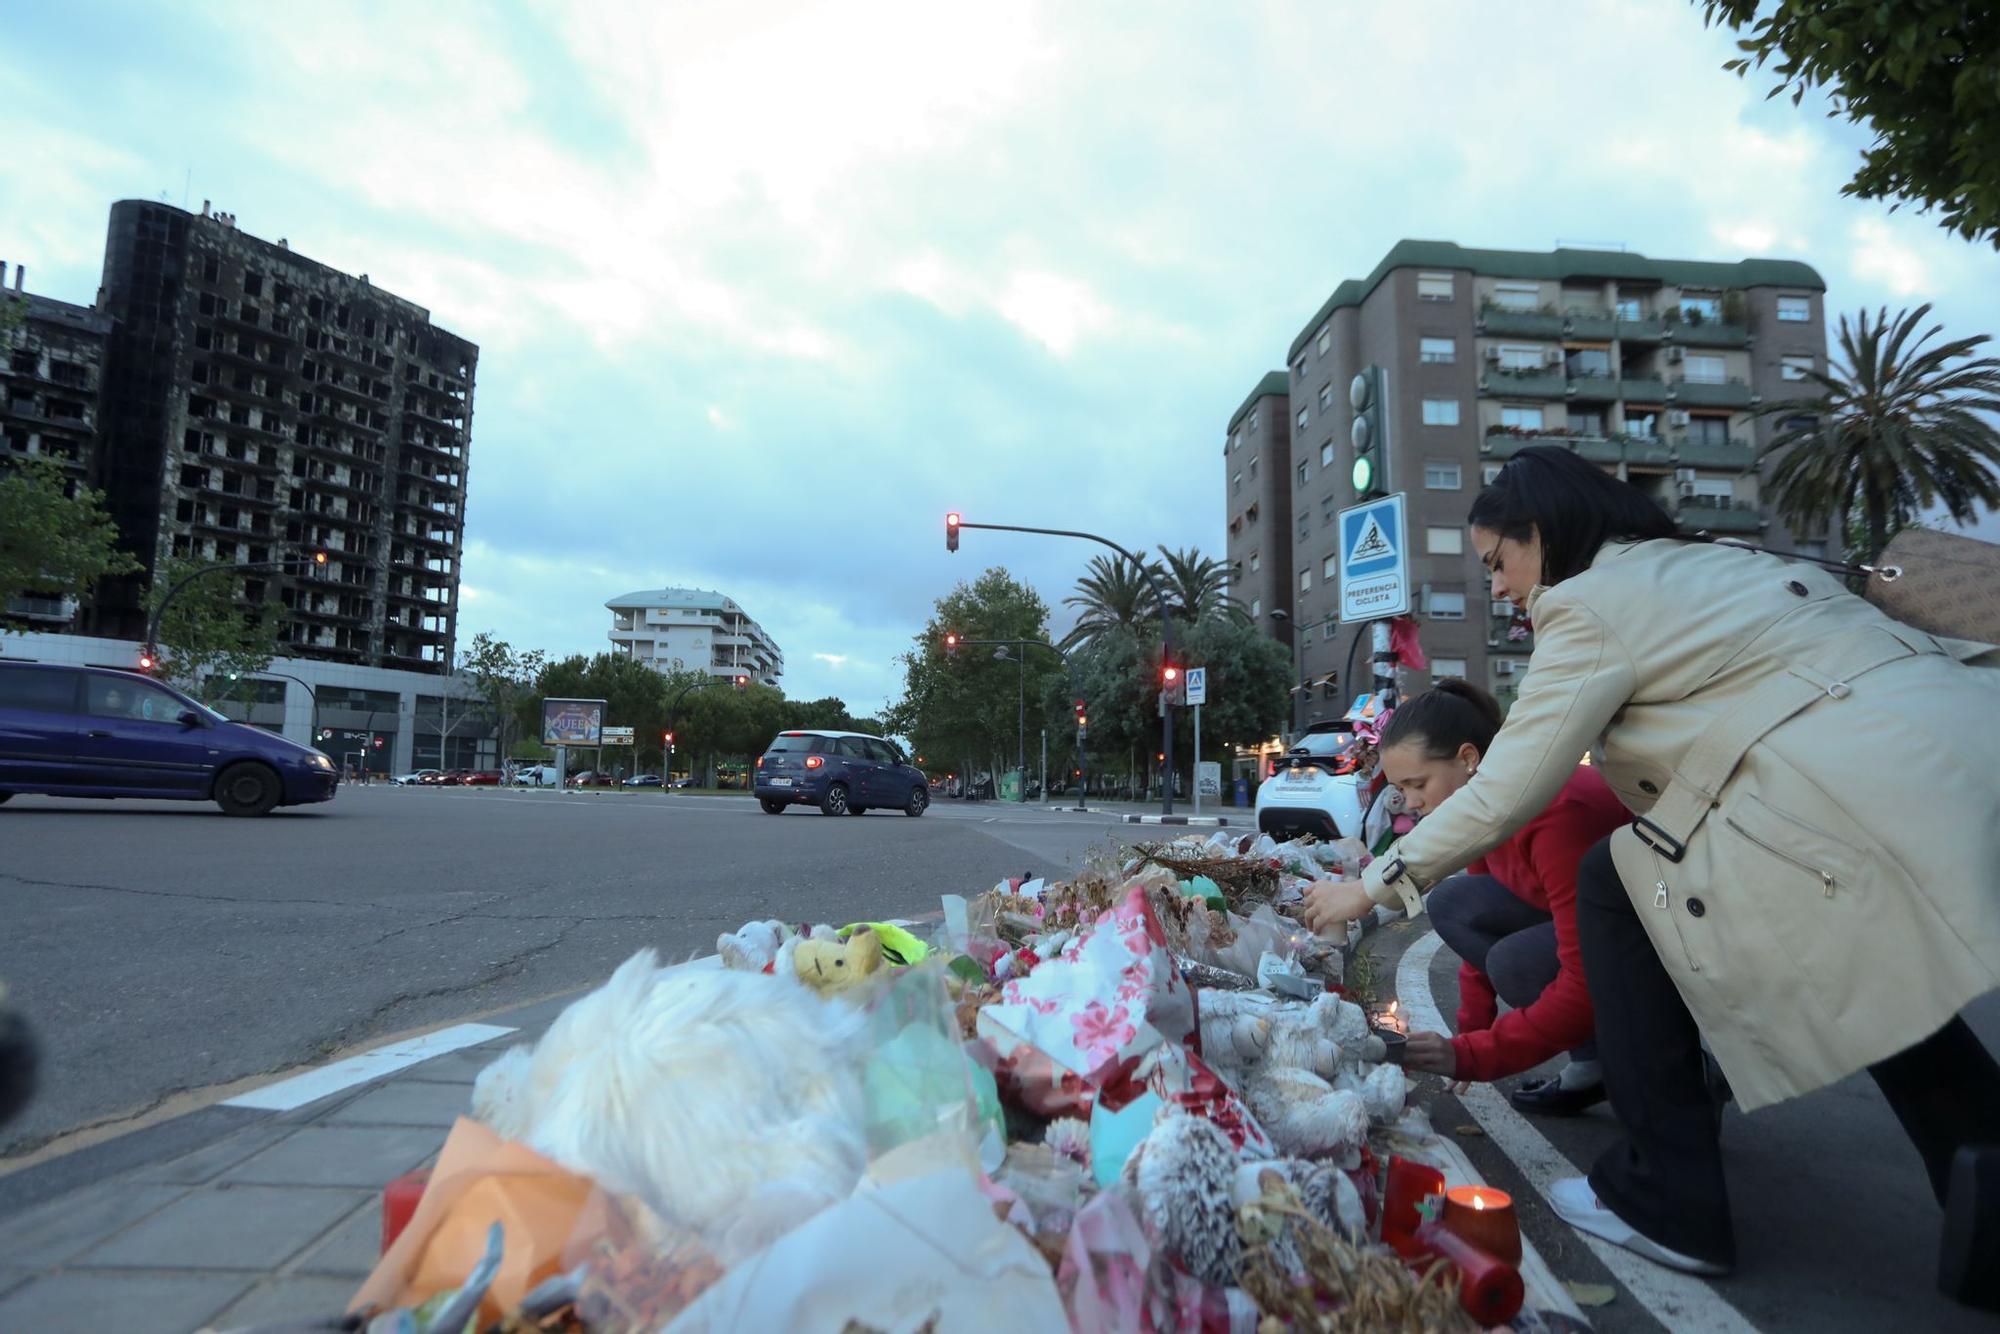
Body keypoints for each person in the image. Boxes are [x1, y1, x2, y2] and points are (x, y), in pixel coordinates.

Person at [1302, 446, 2000, 1307]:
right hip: (1942, 741)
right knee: (1883, 969)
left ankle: (1668, 1197)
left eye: (1499, 564)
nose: (1503, 589)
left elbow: (1517, 777)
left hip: (1830, 783)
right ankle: (1988, 1177)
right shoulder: (1709, 558)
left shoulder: (1589, 604)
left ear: (1542, 534)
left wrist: (1368, 888)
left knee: (1615, 881)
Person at [1371, 679, 1631, 1112]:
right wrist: (1468, 1034)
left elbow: (1582, 977)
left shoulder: (1557, 811)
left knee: (1514, 961)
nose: (1410, 803)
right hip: (1586, 926)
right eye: (1402, 789)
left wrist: (1475, 1056)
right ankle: (1594, 1064)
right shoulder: (1487, 813)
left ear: (1468, 759)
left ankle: (1665, 1065)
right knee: (1452, 902)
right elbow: (1478, 925)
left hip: (1657, 942)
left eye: (1418, 784)